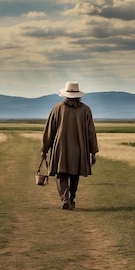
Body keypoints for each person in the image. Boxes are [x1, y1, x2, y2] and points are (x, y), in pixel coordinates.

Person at [41, 81, 99, 210]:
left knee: (61, 174)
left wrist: (44, 149)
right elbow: (91, 132)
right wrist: (93, 152)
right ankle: (71, 198)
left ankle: (65, 198)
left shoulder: (58, 108)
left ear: (65, 94)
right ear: (79, 95)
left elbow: (49, 130)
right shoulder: (85, 110)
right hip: (79, 148)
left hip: (61, 147)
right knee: (74, 174)